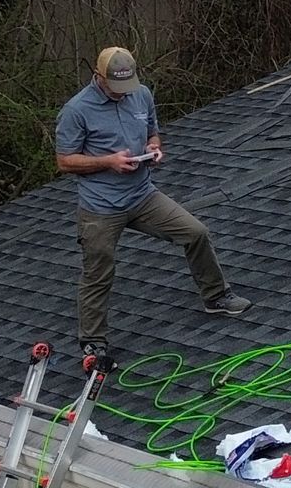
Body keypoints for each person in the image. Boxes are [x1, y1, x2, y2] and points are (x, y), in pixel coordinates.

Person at [56, 46, 248, 361]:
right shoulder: (76, 110)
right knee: (98, 271)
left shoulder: (141, 94)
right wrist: (108, 161)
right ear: (98, 76)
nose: (121, 92)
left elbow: (152, 132)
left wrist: (153, 148)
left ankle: (216, 296)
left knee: (196, 232)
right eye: (115, 86)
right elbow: (65, 161)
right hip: (101, 207)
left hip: (142, 194)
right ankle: (93, 341)